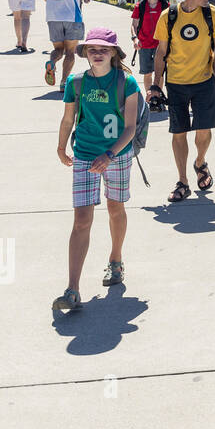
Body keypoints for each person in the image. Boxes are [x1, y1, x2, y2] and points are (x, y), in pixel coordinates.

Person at [51, 28, 141, 313]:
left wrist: (110, 154)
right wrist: (61, 146)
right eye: (92, 49)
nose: (98, 53)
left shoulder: (126, 83)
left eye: (104, 49)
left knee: (116, 208)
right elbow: (68, 119)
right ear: (85, 54)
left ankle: (116, 260)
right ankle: (73, 289)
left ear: (114, 53)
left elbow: (130, 127)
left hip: (117, 155)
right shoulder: (76, 83)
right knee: (81, 220)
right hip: (85, 155)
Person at [149, 0, 215, 202]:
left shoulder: (213, 14)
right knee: (179, 131)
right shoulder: (168, 16)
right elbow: (161, 53)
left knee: (204, 130)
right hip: (176, 83)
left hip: (204, 81)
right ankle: (182, 180)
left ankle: (200, 161)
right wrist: (156, 85)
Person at [35, 0, 92, 90]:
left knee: (58, 50)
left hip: (53, 16)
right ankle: (64, 82)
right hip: (72, 17)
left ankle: (52, 62)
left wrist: (49, 0)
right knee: (70, 52)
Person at [130, 0, 166, 103]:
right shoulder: (140, 6)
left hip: (160, 44)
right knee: (147, 73)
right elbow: (134, 25)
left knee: (159, 72)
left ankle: (158, 96)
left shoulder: (165, 6)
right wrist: (135, 39)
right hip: (144, 44)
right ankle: (150, 97)